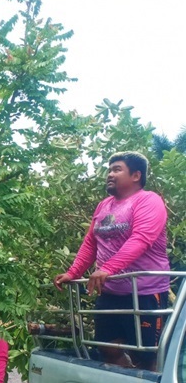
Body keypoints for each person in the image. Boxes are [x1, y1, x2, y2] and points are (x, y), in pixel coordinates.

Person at [54, 151, 170, 369]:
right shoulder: (104, 205)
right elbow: (91, 242)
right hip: (110, 293)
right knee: (105, 347)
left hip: (144, 293)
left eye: (117, 169)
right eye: (109, 170)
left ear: (136, 175)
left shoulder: (148, 200)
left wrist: (107, 268)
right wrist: (74, 272)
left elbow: (141, 239)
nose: (110, 174)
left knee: (147, 355)